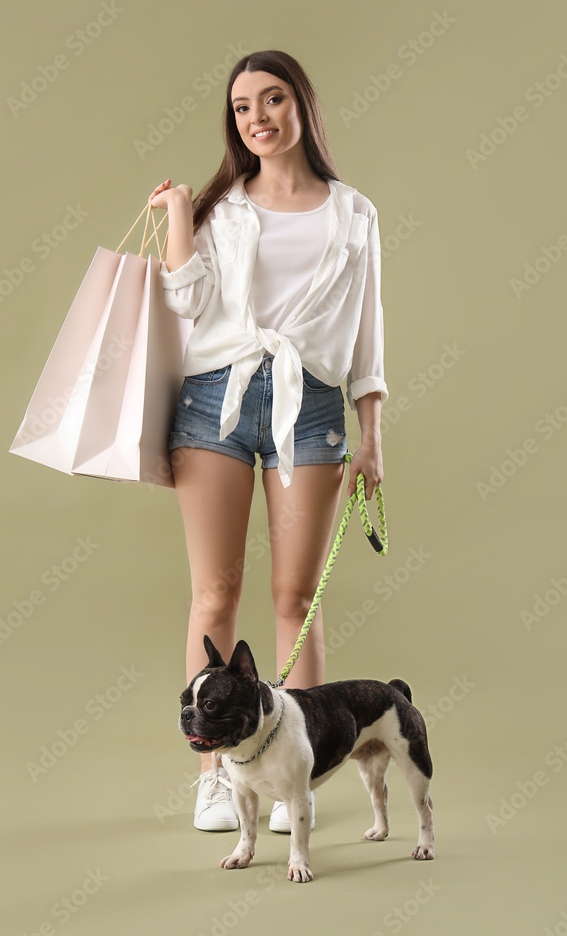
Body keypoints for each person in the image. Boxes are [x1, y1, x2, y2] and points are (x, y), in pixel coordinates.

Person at [149, 49, 388, 834]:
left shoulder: (355, 213)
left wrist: (372, 436)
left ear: (301, 107)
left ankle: (298, 777)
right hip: (215, 398)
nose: (258, 117)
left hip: (311, 404)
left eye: (273, 99)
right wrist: (181, 215)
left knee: (295, 598)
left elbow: (366, 337)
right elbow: (185, 300)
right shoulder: (226, 209)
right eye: (244, 107)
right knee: (215, 594)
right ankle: (218, 775)